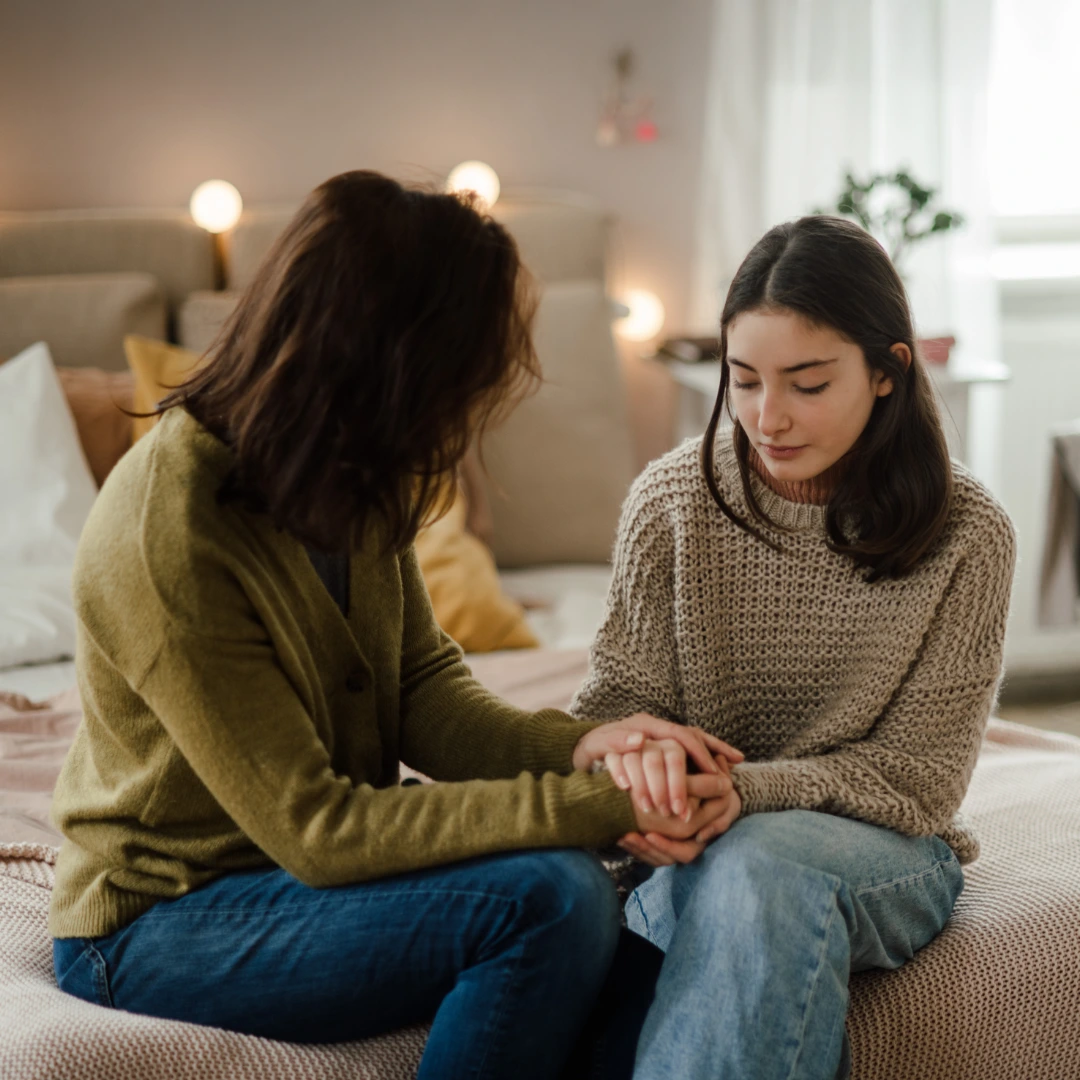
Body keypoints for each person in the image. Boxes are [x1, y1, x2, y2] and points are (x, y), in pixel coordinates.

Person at [46, 170, 743, 1080]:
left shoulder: (359, 473)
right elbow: (320, 829)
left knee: (673, 972)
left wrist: (589, 749)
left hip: (303, 876)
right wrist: (607, 807)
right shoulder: (169, 531)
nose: (459, 424)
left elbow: (422, 693)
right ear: (387, 366)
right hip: (165, 915)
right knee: (553, 899)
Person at [570, 215, 1017, 1080]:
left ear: (888, 371)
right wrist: (648, 768)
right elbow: (612, 713)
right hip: (696, 837)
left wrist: (741, 791)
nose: (768, 418)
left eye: (808, 385)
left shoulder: (968, 533)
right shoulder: (671, 502)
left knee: (759, 868)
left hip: (886, 849)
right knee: (727, 874)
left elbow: (919, 782)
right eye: (742, 382)